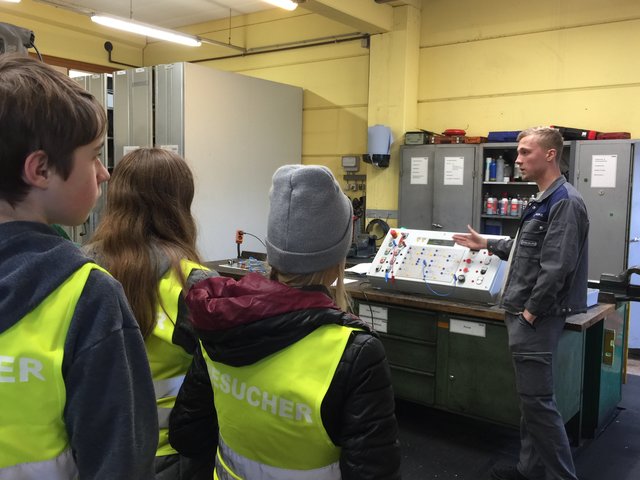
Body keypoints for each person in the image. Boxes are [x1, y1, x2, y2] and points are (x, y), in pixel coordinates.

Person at [169, 164, 401, 479]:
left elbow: (187, 434)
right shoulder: (355, 352)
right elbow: (374, 472)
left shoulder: (220, 318)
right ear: (337, 261)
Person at [0, 55, 157, 478]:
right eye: (93, 157)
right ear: (41, 169)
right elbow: (121, 460)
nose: (105, 174)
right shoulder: (86, 294)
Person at [452, 126, 589, 480]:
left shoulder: (565, 203)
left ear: (550, 155)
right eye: (518, 152)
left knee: (539, 406)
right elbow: (524, 252)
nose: (517, 159)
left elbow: (557, 268)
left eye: (526, 152)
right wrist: (486, 243)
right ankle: (529, 470)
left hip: (536, 319)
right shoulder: (542, 200)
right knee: (531, 402)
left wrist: (530, 313)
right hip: (523, 314)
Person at [84, 147, 218, 480]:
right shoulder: (193, 283)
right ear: (179, 205)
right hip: (173, 458)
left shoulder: (80, 269)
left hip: (97, 452)